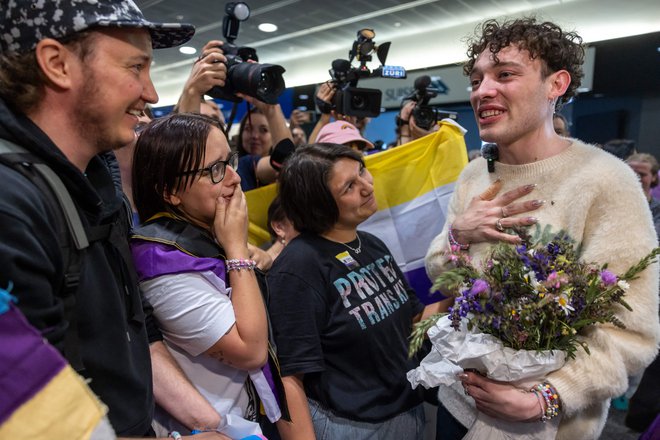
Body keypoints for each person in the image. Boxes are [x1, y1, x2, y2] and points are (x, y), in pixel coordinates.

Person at [424, 17, 659, 440]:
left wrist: (547, 397)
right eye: (477, 80)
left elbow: (632, 334)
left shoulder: (605, 181)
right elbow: (444, 280)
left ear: (556, 85)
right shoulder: (475, 174)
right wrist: (458, 235)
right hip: (459, 408)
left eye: (505, 75)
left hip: (548, 424)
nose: (483, 91)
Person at [0, 1, 227, 438]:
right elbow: (31, 419)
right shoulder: (12, 207)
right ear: (57, 64)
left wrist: (207, 424)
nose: (151, 93)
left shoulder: (96, 178)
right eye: (135, 67)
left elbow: (131, 321)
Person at [268, 143, 428, 439]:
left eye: (362, 172)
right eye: (349, 186)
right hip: (352, 427)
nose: (367, 186)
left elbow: (414, 320)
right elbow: (288, 377)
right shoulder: (300, 267)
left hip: (407, 411)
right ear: (319, 205)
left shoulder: (370, 243)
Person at [130, 113, 275, 436]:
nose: (235, 178)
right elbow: (251, 351)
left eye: (230, 161)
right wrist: (237, 250)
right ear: (170, 192)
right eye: (215, 170)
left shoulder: (204, 233)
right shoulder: (161, 262)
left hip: (243, 418)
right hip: (215, 429)